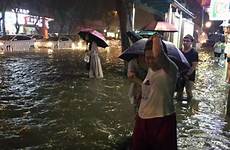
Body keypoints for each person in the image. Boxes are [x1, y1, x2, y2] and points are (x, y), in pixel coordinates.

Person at [132, 34, 178, 150]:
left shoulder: (170, 69)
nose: (150, 61)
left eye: (152, 58)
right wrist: (140, 96)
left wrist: (156, 37)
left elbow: (158, 55)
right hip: (142, 118)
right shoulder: (150, 70)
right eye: (147, 57)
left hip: (162, 119)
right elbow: (150, 88)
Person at [176, 34, 198, 100]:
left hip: (189, 75)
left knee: (188, 91)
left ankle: (189, 105)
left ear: (191, 42)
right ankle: (179, 106)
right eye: (184, 41)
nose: (185, 42)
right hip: (180, 74)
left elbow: (194, 66)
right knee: (179, 92)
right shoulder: (179, 51)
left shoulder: (194, 53)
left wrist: (187, 75)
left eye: (187, 41)